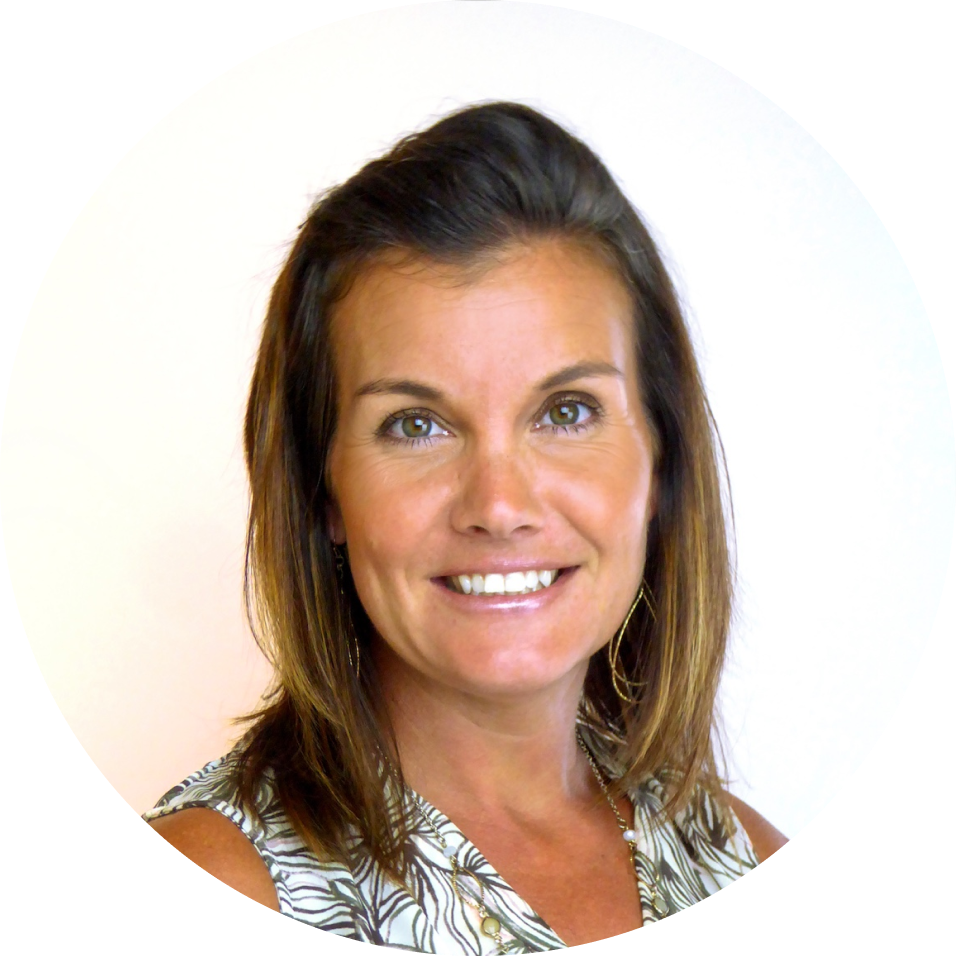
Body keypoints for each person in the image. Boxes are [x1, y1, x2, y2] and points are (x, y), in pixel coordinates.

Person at [142, 101, 787, 956]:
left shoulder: (751, 866)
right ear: (323, 489)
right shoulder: (212, 894)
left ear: (660, 463)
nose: (498, 503)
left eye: (565, 411)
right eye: (416, 425)